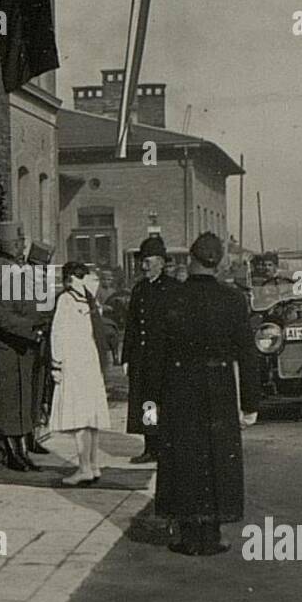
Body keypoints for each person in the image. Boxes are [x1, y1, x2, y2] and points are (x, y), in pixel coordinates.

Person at [155, 232, 260, 556]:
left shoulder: (171, 298)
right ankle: (212, 533)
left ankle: (188, 533)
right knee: (217, 456)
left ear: (191, 259)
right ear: (219, 262)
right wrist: (250, 404)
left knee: (184, 456)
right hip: (219, 387)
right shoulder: (233, 300)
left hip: (179, 387)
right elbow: (248, 354)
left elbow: (155, 357)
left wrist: (152, 404)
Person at [0, 221, 44, 472]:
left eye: (22, 241)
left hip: (21, 347)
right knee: (10, 403)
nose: (22, 245)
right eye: (16, 241)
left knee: (21, 401)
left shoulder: (14, 268)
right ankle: (13, 452)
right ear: (2, 244)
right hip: (8, 347)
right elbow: (3, 317)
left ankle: (20, 451)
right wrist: (34, 327)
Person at [48, 262, 112, 485]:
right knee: (90, 417)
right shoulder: (90, 300)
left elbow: (57, 333)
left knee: (79, 417)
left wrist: (56, 363)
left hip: (74, 363)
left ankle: (85, 467)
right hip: (90, 362)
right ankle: (92, 465)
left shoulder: (66, 300)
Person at [122, 234, 176, 464]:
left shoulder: (173, 289)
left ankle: (166, 446)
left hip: (165, 358)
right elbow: (132, 326)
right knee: (148, 403)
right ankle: (150, 446)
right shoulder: (139, 289)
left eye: (148, 261)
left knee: (166, 402)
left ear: (161, 263)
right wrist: (127, 357)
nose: (143, 266)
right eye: (142, 261)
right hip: (143, 359)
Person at [25, 240, 56, 457]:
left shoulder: (42, 284)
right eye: (40, 267)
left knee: (39, 392)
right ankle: (26, 438)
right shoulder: (22, 284)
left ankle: (33, 435)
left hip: (43, 344)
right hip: (28, 343)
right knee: (29, 393)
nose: (42, 272)